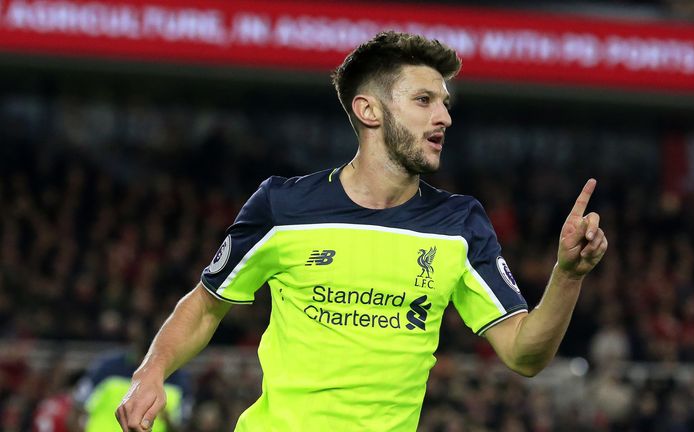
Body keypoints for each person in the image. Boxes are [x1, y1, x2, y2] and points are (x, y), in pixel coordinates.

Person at [115, 31, 607, 431]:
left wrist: (567, 274)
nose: (444, 117)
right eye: (424, 100)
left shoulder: (460, 224)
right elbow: (206, 305)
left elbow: (524, 354)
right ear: (369, 111)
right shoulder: (284, 206)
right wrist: (150, 372)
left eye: (445, 103)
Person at [79, 318, 190, 432]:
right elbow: (77, 407)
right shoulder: (107, 369)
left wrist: (167, 420)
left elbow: (183, 425)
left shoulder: (179, 380)